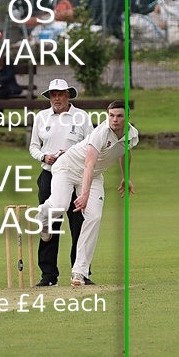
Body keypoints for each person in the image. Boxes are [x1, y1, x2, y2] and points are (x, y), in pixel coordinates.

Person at [35, 100, 138, 287]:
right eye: (111, 115)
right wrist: (84, 194)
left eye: (119, 116)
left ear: (127, 117)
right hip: (68, 167)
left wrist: (126, 177)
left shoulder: (131, 135)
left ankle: (79, 272)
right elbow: (89, 163)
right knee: (60, 205)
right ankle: (42, 217)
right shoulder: (101, 132)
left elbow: (125, 152)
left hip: (94, 176)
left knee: (94, 217)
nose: (114, 120)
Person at [29, 79, 93, 286]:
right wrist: (43, 157)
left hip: (75, 175)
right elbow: (33, 147)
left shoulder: (81, 117)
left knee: (79, 226)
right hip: (49, 174)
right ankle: (48, 275)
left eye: (60, 94)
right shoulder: (41, 117)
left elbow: (91, 146)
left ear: (68, 95)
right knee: (50, 224)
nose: (56, 98)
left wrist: (72, 154)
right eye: (53, 94)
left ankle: (80, 273)